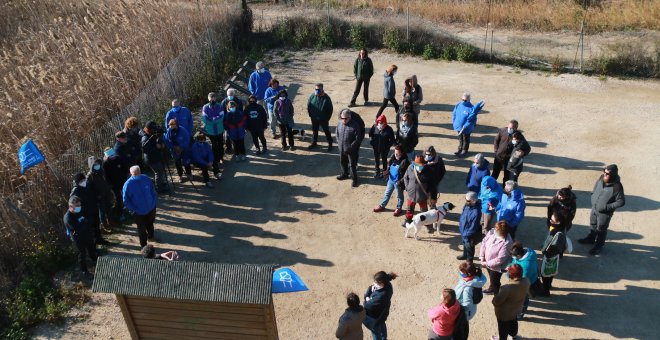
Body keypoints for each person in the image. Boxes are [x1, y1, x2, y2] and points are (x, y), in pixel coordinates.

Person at [578, 164, 625, 255]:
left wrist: (607, 207)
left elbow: (621, 202)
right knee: (593, 224)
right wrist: (593, 195)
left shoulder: (617, 187)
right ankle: (591, 239)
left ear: (613, 175)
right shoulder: (601, 178)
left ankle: (598, 246)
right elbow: (596, 187)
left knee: (601, 230)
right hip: (594, 208)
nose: (604, 174)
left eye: (607, 173)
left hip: (604, 214)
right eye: (604, 172)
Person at [491, 264, 530, 340]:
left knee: (503, 328)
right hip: (516, 310)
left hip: (504, 314)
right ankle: (514, 336)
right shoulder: (526, 281)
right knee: (513, 323)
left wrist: (494, 300)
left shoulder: (507, 288)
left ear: (510, 275)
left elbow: (496, 301)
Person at [122, 166, 157, 248]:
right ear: (131, 174)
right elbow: (126, 200)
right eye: (135, 174)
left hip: (151, 208)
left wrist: (153, 202)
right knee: (141, 230)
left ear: (140, 171)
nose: (137, 174)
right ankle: (144, 245)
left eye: (138, 172)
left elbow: (152, 190)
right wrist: (133, 210)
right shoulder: (128, 185)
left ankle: (151, 236)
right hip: (138, 212)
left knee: (150, 223)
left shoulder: (146, 178)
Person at [63, 196, 98, 277]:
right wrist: (86, 224)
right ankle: (84, 271)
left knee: (91, 248)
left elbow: (88, 218)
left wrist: (87, 224)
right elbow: (78, 229)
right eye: (77, 206)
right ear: (70, 206)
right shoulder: (68, 218)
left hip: (87, 234)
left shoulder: (79, 211)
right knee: (82, 254)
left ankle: (95, 261)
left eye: (79, 205)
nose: (79, 207)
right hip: (78, 238)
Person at [70, 173, 109, 245]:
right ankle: (93, 244)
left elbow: (95, 192)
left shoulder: (88, 185)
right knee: (89, 229)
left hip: (94, 208)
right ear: (77, 182)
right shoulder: (76, 191)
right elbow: (74, 204)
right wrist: (83, 210)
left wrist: (97, 199)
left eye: (84, 180)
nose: (84, 182)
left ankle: (99, 239)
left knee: (96, 225)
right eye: (82, 181)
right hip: (86, 213)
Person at [403, 155, 437, 232]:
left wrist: (433, 197)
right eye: (417, 165)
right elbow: (405, 177)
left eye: (421, 165)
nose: (419, 166)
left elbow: (433, 185)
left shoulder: (429, 171)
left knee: (424, 211)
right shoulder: (410, 167)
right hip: (411, 195)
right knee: (409, 209)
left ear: (424, 164)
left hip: (422, 196)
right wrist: (407, 187)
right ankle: (408, 220)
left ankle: (427, 225)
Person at [509, 241, 543, 319]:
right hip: (530, 278)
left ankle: (520, 314)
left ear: (518, 255)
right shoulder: (528, 251)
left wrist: (510, 273)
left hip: (526, 284)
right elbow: (514, 262)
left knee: (523, 298)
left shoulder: (526, 267)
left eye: (513, 256)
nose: (512, 257)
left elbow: (520, 280)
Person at [374, 145, 409, 216]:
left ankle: (399, 208)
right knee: (387, 194)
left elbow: (406, 175)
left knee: (399, 196)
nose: (395, 155)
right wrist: (385, 173)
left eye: (397, 153)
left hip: (398, 182)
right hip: (390, 180)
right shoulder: (393, 157)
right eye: (395, 153)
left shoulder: (405, 162)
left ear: (402, 153)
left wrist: (400, 182)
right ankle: (382, 206)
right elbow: (389, 167)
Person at [492, 120, 531, 184]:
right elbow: (496, 140)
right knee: (495, 173)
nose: (509, 129)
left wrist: (523, 153)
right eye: (508, 127)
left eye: (511, 128)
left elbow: (528, 149)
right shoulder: (503, 130)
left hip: (509, 160)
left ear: (515, 128)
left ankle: (505, 189)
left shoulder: (519, 136)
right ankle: (491, 186)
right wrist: (496, 150)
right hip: (499, 156)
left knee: (507, 176)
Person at [480, 221, 513, 295]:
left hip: (497, 267)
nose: (495, 230)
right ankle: (492, 288)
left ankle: (496, 295)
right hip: (488, 262)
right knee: (492, 278)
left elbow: (500, 259)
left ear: (502, 232)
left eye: (497, 229)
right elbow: (484, 242)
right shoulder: (492, 231)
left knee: (495, 281)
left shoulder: (507, 242)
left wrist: (486, 263)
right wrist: (482, 256)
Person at [363, 271, 397, 340]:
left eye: (376, 282)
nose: (374, 284)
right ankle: (384, 338)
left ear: (382, 283)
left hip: (375, 317)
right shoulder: (388, 285)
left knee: (376, 333)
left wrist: (366, 297)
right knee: (382, 324)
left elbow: (367, 305)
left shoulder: (380, 296)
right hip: (382, 314)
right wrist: (372, 289)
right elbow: (372, 287)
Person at [336, 109, 365, 188]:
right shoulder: (339, 123)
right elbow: (337, 133)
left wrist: (351, 147)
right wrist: (339, 143)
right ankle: (345, 174)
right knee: (343, 161)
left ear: (349, 117)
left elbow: (357, 138)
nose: (344, 120)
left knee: (352, 164)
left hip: (351, 150)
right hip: (342, 148)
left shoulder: (355, 125)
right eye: (342, 118)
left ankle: (354, 179)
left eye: (346, 118)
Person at [452, 92, 485, 157]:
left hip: (467, 128)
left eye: (465, 100)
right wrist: (454, 122)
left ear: (469, 100)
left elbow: (470, 120)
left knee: (465, 139)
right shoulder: (458, 104)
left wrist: (464, 127)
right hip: (459, 127)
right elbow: (454, 114)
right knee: (460, 138)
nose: (463, 101)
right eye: (462, 99)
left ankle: (464, 150)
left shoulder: (472, 108)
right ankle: (460, 149)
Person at [541, 216, 568, 294]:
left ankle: (546, 291)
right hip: (553, 256)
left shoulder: (558, 234)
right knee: (550, 273)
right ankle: (548, 286)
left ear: (558, 222)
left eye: (552, 220)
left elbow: (555, 248)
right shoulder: (558, 228)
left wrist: (545, 252)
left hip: (550, 257)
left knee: (546, 274)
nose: (550, 221)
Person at [86, 156, 114, 232]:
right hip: (99, 197)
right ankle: (104, 225)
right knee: (102, 211)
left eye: (98, 163)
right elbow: (89, 189)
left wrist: (109, 189)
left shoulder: (102, 171)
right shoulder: (89, 176)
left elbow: (105, 180)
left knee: (109, 208)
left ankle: (111, 222)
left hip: (106, 193)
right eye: (95, 164)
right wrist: (97, 195)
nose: (97, 165)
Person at [201, 92, 225, 178]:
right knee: (214, 146)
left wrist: (212, 119)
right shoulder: (205, 107)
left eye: (214, 98)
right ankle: (216, 160)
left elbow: (221, 117)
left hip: (219, 129)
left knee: (221, 144)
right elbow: (205, 119)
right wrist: (215, 118)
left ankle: (221, 157)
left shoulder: (219, 106)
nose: (212, 99)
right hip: (211, 131)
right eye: (211, 98)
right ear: (208, 99)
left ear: (216, 98)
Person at [140, 121, 169, 193]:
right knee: (158, 172)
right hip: (151, 159)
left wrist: (160, 144)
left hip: (156, 157)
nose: (154, 130)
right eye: (153, 129)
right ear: (149, 129)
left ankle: (161, 183)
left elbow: (157, 141)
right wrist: (156, 147)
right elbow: (145, 150)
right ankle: (159, 188)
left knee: (160, 170)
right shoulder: (145, 138)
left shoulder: (151, 134)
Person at [102, 147, 128, 222]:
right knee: (118, 199)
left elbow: (124, 169)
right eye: (110, 155)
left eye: (113, 154)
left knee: (126, 195)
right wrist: (111, 185)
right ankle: (120, 214)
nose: (112, 156)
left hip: (123, 182)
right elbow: (106, 177)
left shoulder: (118, 158)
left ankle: (129, 209)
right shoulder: (105, 164)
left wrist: (125, 179)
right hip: (114, 185)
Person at [307, 83, 334, 151]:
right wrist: (310, 115)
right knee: (314, 131)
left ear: (322, 89)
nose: (317, 90)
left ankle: (330, 143)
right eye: (316, 89)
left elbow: (330, 110)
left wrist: (326, 118)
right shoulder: (312, 96)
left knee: (326, 131)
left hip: (323, 119)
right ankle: (314, 142)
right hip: (314, 118)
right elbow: (309, 106)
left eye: (318, 89)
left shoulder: (326, 98)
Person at [458, 191, 482, 261]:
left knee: (470, 248)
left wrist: (466, 234)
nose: (466, 201)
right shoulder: (467, 205)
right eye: (465, 199)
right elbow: (463, 214)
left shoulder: (476, 212)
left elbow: (473, 227)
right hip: (464, 231)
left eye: (468, 200)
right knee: (464, 244)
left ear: (473, 201)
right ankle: (465, 255)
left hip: (469, 234)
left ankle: (469, 261)